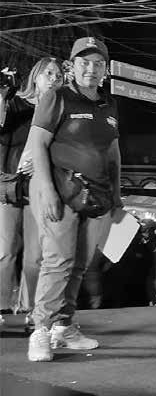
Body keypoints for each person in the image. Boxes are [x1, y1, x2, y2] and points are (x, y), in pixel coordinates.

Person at [26, 38, 121, 362]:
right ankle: (41, 330)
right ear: (72, 66)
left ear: (105, 69)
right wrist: (47, 191)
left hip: (95, 197)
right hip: (60, 191)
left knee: (80, 263)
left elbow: (113, 152)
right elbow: (38, 144)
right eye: (84, 62)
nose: (91, 69)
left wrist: (116, 196)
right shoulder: (57, 97)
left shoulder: (109, 104)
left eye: (98, 63)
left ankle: (63, 327)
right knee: (59, 261)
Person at [0, 57, 63, 330]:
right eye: (48, 73)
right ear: (35, 77)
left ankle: (30, 311)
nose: (53, 79)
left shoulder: (60, 111)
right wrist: (3, 94)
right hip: (8, 185)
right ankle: (2, 306)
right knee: (5, 251)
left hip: (39, 187)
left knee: (35, 256)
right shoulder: (16, 104)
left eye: (58, 76)